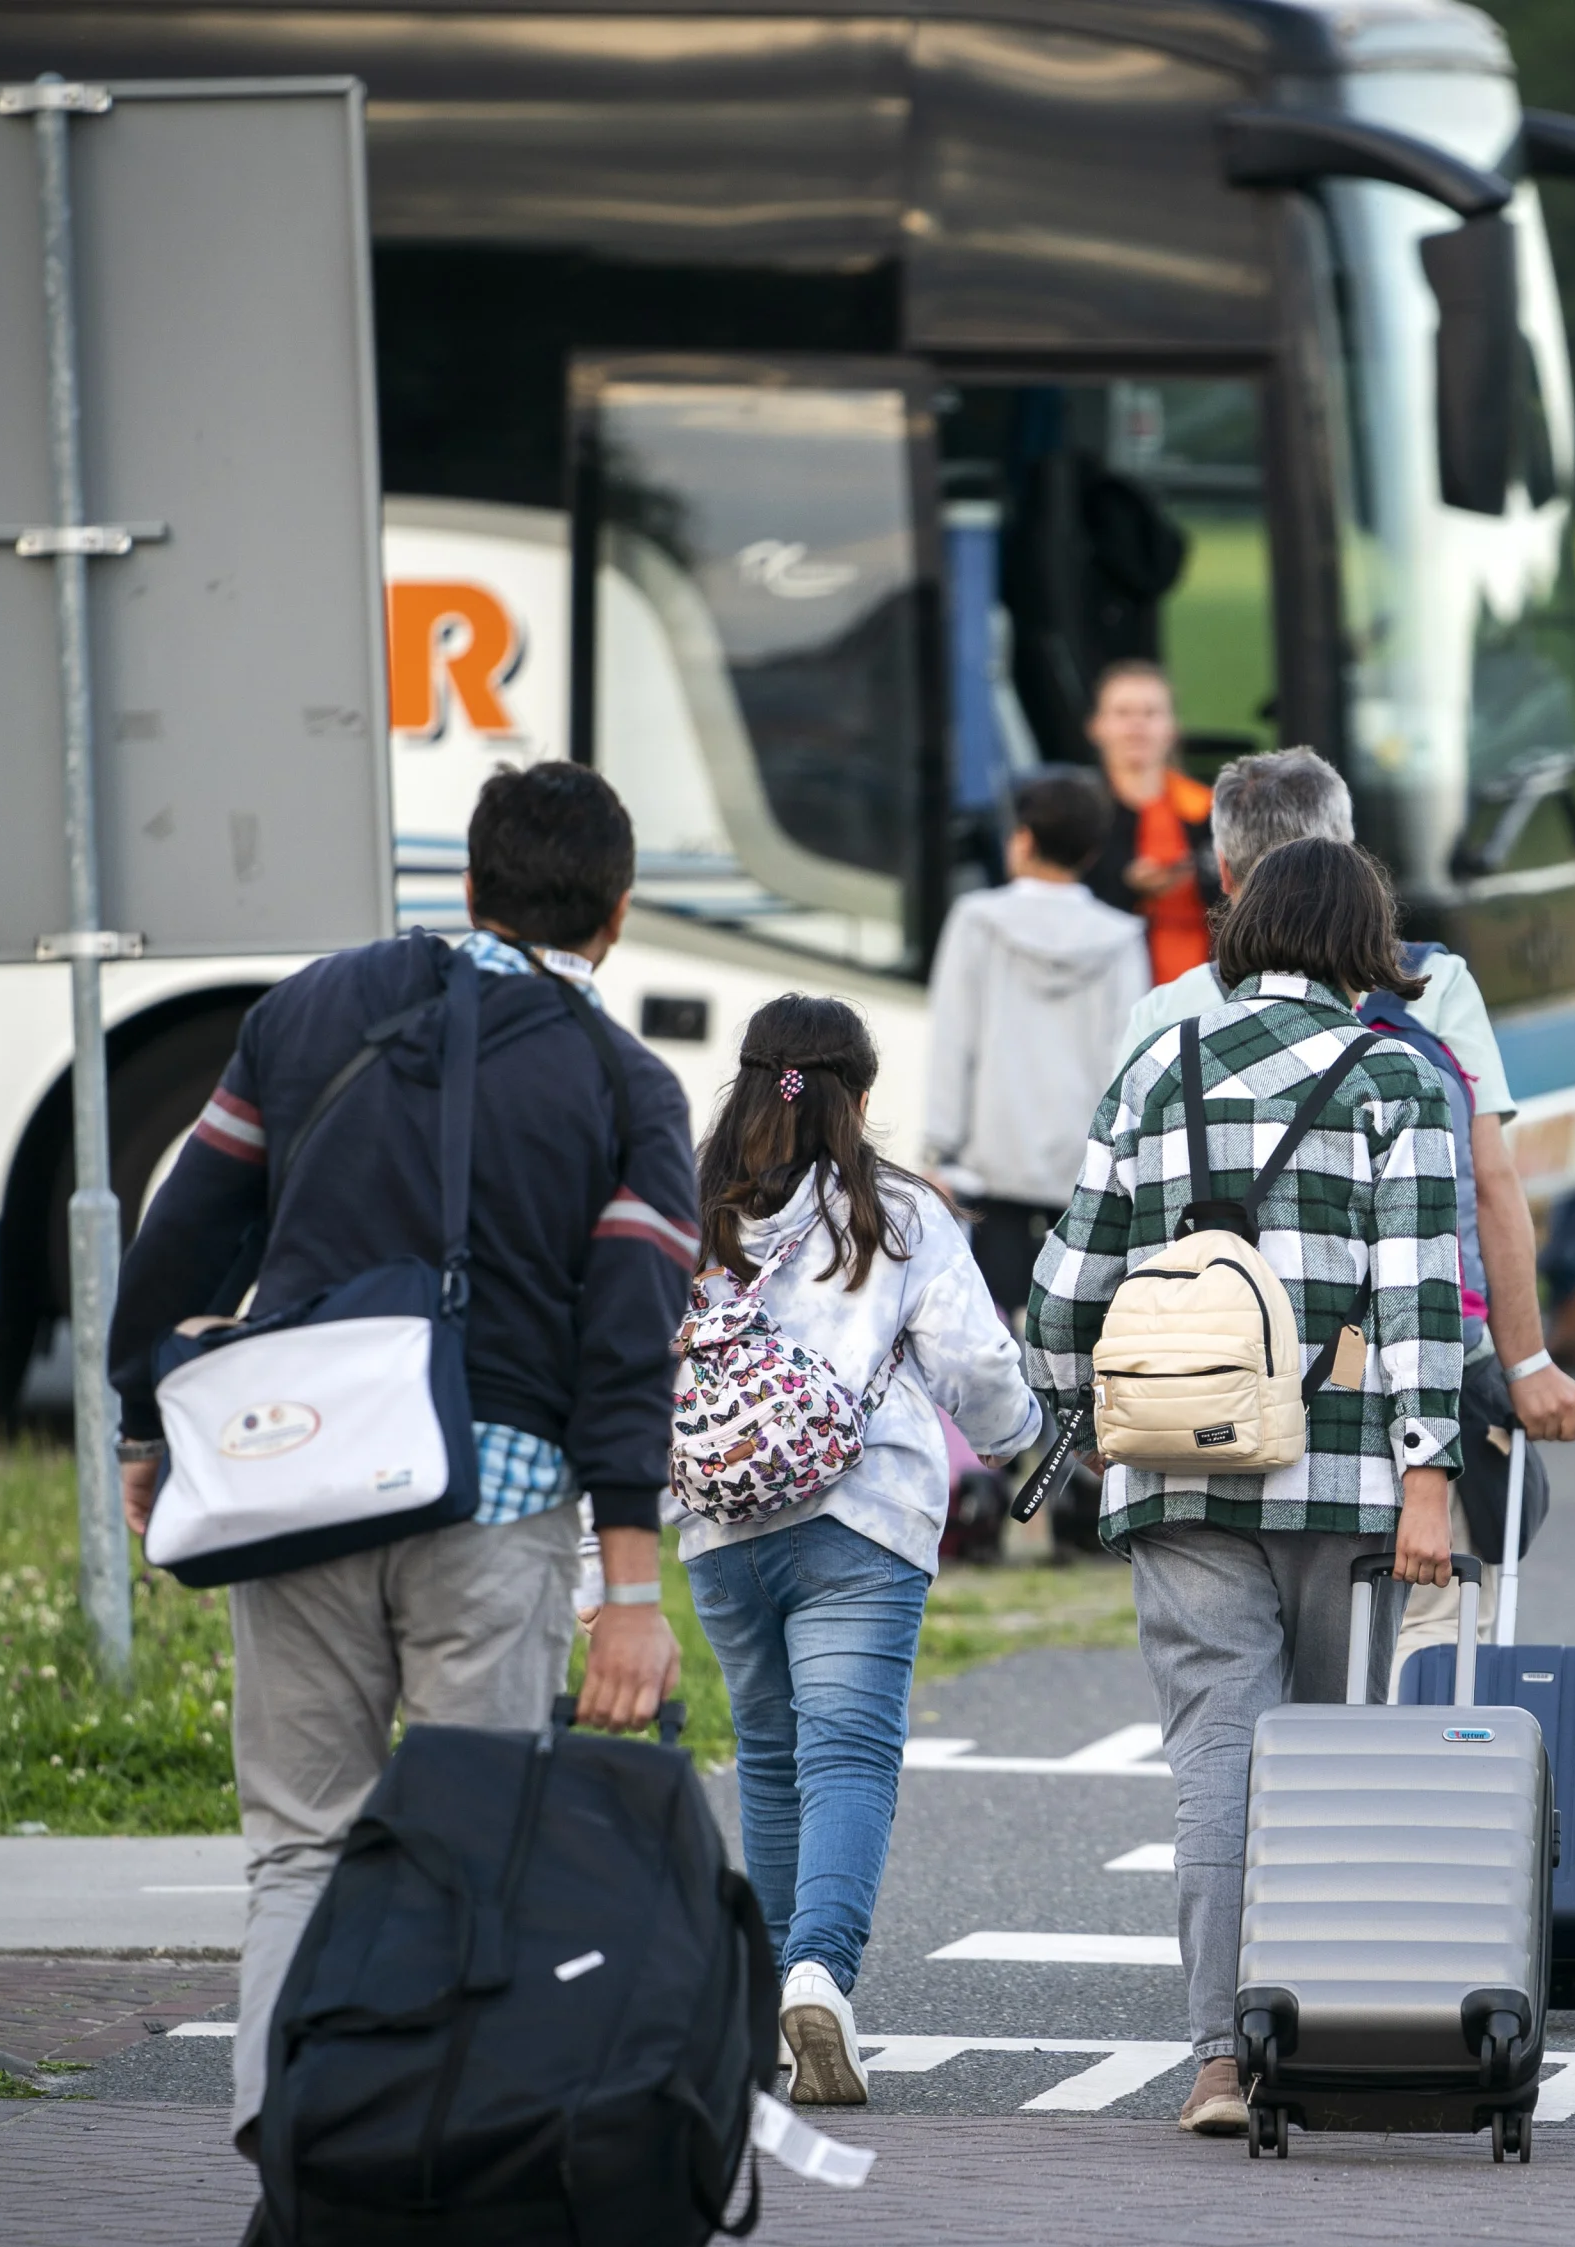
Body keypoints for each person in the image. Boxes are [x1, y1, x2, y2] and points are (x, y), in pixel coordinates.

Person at [107, 761, 698, 2154]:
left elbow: (186, 1229)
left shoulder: (309, 1010)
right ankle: (419, 2166)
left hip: (300, 1483)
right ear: (616, 914)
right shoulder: (628, 1087)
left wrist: (147, 1424)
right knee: (462, 1853)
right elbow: (626, 1345)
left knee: (298, 1844)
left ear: (471, 887)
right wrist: (628, 1591)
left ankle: (284, 2151)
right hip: (494, 1504)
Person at [1027, 839, 1469, 2140]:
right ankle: (1316, 2033)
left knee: (1217, 1754)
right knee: (1327, 1762)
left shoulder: (1157, 1067)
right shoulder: (1394, 1077)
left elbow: (1065, 1290)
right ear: (1364, 946)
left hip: (1178, 1469)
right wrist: (1429, 1473)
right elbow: (1419, 1294)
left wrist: (1086, 1415)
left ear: (1247, 930)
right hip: (1344, 1480)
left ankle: (1218, 2065)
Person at [1117, 746, 1575, 1650]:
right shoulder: (1431, 985)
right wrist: (1527, 1362)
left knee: (1226, 1669)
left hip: (1203, 1387)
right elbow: (1488, 1183)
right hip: (1400, 1378)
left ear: (1223, 870)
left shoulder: (1166, 1017)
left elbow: (1116, 1220)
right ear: (1357, 868)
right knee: (1414, 1648)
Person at [683, 994, 1045, 2107]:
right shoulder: (898, 1213)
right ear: (862, 1095)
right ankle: (820, 1976)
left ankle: (775, 1997)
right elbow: (976, 1367)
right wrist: (1020, 1437)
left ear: (750, 1080)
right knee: (847, 1756)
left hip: (720, 1526)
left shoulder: (692, 1207)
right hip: (861, 1519)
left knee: (771, 1755)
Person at [926, 769, 1149, 1321]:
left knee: (987, 1334)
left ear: (1023, 839)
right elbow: (1125, 1063)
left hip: (985, 1175)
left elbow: (954, 1043)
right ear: (1092, 851)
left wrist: (936, 1152)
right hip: (1083, 1181)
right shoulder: (1121, 938)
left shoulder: (977, 921)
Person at [1081, 659, 1219, 985]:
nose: (1137, 725)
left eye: (1150, 713)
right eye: (1123, 713)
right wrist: (1127, 888)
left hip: (1204, 988)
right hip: (1106, 986)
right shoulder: (1081, 812)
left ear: (1173, 729)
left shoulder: (1210, 810)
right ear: (1096, 727)